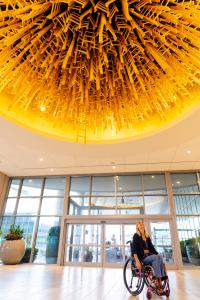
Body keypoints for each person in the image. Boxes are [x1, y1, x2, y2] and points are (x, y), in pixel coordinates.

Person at [132, 221, 166, 294]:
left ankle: (159, 281)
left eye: (142, 224)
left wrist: (157, 254)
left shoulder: (147, 236)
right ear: (137, 227)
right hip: (143, 258)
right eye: (139, 225)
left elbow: (152, 248)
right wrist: (137, 261)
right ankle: (158, 282)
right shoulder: (136, 236)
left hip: (150, 256)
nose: (141, 225)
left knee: (159, 257)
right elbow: (134, 250)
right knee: (155, 257)